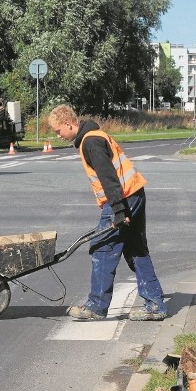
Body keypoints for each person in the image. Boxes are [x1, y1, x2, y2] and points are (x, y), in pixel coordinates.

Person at [48, 105, 167, 321]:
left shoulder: (90, 142)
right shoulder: (95, 135)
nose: (59, 136)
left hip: (122, 199)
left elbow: (108, 176)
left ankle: (96, 306)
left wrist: (119, 211)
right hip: (134, 193)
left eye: (58, 131)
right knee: (136, 250)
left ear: (68, 123)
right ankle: (155, 304)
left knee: (103, 249)